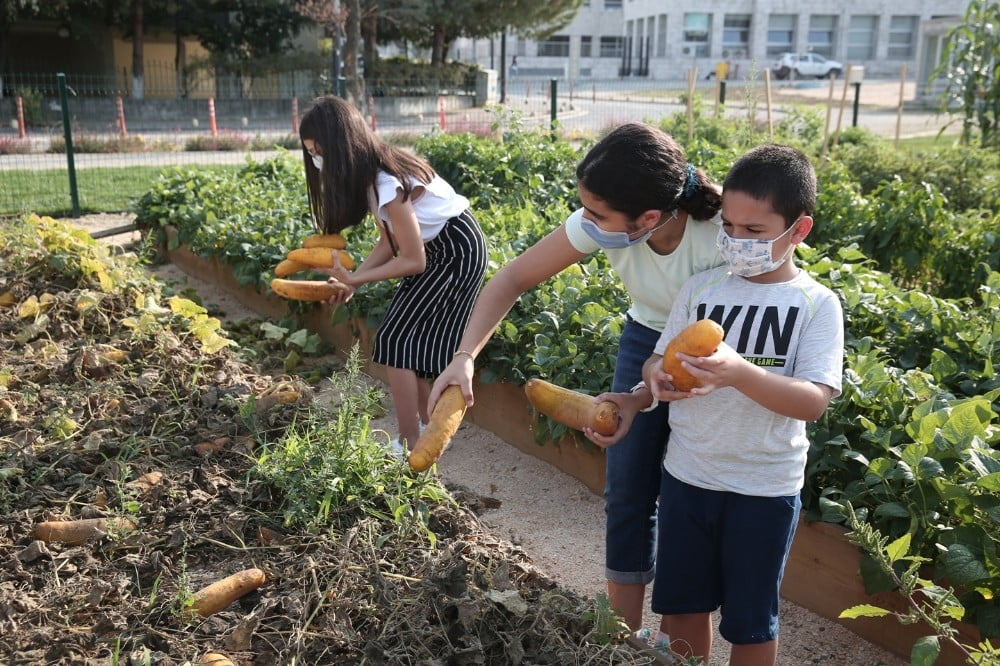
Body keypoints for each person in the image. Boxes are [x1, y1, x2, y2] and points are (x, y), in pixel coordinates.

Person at [428, 122, 725, 636]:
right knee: (627, 492)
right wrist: (465, 356)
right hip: (645, 336)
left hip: (713, 350)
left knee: (688, 498)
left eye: (597, 214)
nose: (586, 222)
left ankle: (678, 639)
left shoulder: (721, 236)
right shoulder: (605, 221)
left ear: (648, 218)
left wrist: (648, 391)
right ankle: (621, 635)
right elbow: (512, 278)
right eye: (585, 208)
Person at [637, 144, 844, 666]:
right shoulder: (700, 289)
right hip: (688, 476)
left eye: (754, 231)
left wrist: (740, 373)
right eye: (728, 226)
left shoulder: (816, 305)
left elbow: (813, 402)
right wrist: (655, 376)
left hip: (763, 488)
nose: (736, 240)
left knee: (750, 623)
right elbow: (657, 358)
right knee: (683, 607)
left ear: (798, 230)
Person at [298, 95, 487, 454]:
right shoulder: (373, 175)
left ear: (341, 145)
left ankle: (409, 442)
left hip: (454, 251)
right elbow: (389, 242)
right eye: (311, 153)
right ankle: (427, 432)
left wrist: (355, 278)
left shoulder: (386, 181)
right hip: (442, 249)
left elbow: (413, 261)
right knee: (402, 343)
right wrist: (352, 282)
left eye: (319, 151)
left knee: (395, 341)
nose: (317, 161)